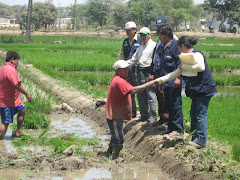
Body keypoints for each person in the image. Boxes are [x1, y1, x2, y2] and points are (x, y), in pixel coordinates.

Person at [155, 36, 217, 148]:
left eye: (178, 47)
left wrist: (184, 66)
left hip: (204, 90)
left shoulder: (197, 55)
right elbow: (175, 73)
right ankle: (194, 138)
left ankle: (201, 140)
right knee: (193, 113)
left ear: (182, 46)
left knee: (200, 115)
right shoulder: (186, 58)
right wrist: (159, 80)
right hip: (196, 91)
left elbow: (200, 67)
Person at [105, 60, 157, 159]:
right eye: (125, 69)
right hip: (115, 115)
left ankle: (109, 153)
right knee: (119, 139)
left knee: (115, 136)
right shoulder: (119, 81)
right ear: (118, 70)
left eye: (127, 68)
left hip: (115, 113)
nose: (127, 71)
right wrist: (149, 84)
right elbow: (134, 90)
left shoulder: (117, 79)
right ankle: (114, 159)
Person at [126, 27, 158, 122]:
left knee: (151, 94)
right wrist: (122, 65)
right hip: (139, 71)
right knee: (140, 93)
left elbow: (155, 61)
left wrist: (152, 73)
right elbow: (133, 59)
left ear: (149, 35)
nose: (143, 37)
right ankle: (144, 115)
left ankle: (153, 116)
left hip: (148, 71)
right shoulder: (140, 47)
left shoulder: (153, 46)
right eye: (141, 35)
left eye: (145, 35)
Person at [157, 26, 184, 136]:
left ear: (167, 35)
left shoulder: (175, 46)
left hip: (174, 82)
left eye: (160, 35)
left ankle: (178, 129)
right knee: (168, 105)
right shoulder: (163, 46)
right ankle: (171, 127)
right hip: (166, 81)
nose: (159, 37)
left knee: (175, 105)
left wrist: (178, 78)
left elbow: (180, 64)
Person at [0, 51, 32, 140]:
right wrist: (27, 94)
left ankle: (19, 131)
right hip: (6, 102)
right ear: (12, 60)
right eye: (17, 60)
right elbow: (17, 85)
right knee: (5, 123)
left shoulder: (3, 68)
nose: (18, 63)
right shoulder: (10, 70)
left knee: (22, 109)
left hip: (13, 101)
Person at [119, 21, 142, 118]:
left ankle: (143, 114)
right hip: (127, 71)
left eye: (130, 30)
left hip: (138, 70)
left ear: (135, 30)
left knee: (140, 91)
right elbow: (122, 55)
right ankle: (132, 112)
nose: (128, 32)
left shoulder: (141, 40)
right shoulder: (125, 41)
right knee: (129, 92)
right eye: (126, 30)